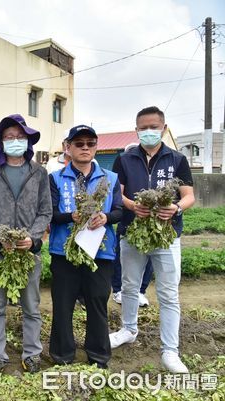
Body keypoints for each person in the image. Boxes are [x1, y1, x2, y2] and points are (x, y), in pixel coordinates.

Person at [109, 106, 195, 373]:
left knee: (168, 293)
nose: (148, 132)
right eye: (143, 128)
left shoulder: (177, 159)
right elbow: (117, 195)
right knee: (129, 285)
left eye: (153, 127)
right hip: (132, 232)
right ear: (136, 130)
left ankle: (170, 351)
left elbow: (189, 195)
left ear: (164, 128)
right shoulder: (124, 160)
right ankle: (128, 329)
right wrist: (133, 206)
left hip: (166, 236)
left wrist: (176, 208)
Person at [0, 114, 52, 373]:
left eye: (20, 137)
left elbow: (45, 211)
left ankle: (32, 352)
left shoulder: (39, 173)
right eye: (9, 137)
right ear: (1, 142)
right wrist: (1, 236)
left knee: (31, 306)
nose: (15, 141)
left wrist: (31, 238)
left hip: (28, 252)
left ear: (28, 141)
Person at [48, 124, 123, 369]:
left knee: (97, 304)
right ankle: (62, 356)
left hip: (100, 252)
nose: (85, 148)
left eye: (90, 143)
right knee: (63, 304)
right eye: (79, 144)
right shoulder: (56, 178)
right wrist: (72, 217)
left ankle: (99, 356)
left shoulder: (110, 178)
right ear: (68, 148)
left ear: (96, 147)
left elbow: (120, 211)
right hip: (64, 251)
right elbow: (50, 214)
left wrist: (106, 217)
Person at [111, 142, 153, 307]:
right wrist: (133, 206)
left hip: (150, 225)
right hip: (127, 222)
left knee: (149, 258)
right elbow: (116, 195)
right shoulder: (122, 165)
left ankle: (141, 291)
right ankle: (118, 290)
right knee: (121, 258)